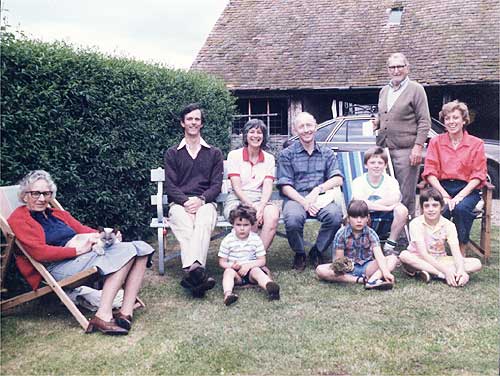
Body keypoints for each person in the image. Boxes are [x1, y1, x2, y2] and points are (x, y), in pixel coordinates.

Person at [8, 170, 154, 335]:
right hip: (56, 268)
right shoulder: (18, 219)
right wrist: (77, 250)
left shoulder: (57, 214)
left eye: (46, 193)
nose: (41, 198)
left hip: (81, 257)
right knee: (126, 251)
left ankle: (126, 313)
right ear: (25, 195)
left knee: (140, 248)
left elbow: (83, 229)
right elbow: (39, 253)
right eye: (35, 193)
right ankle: (103, 315)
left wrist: (107, 236)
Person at [164, 103, 223, 298]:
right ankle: (198, 273)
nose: (193, 122)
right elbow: (170, 186)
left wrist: (201, 199)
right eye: (189, 119)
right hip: (180, 204)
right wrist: (185, 202)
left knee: (203, 221)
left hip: (205, 203)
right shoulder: (173, 153)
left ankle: (191, 273)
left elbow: (216, 185)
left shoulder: (214, 153)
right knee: (185, 224)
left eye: (197, 119)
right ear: (182, 123)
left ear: (202, 123)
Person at [277, 112, 343, 271]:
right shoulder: (287, 154)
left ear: (315, 127)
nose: (306, 130)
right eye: (301, 126)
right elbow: (285, 186)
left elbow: (338, 179)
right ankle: (299, 253)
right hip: (295, 198)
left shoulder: (326, 153)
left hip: (321, 198)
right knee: (292, 219)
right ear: (295, 130)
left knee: (335, 216)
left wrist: (318, 190)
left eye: (309, 125)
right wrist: (304, 202)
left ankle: (317, 251)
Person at [421, 100, 487, 255]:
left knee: (461, 209)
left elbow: (479, 174)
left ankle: (461, 248)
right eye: (447, 118)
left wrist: (460, 196)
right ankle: (435, 248)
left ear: (464, 120)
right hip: (440, 187)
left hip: (467, 189)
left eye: (455, 118)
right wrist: (443, 194)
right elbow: (430, 171)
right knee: (439, 209)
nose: (451, 122)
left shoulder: (476, 143)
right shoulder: (436, 141)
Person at [373, 52, 431, 218]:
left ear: (407, 68)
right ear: (388, 70)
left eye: (400, 66)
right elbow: (386, 114)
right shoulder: (384, 91)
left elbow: (424, 121)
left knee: (405, 193)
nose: (396, 70)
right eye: (392, 67)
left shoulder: (416, 90)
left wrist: (418, 148)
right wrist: (377, 122)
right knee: (387, 191)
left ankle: (407, 231)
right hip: (384, 149)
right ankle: (389, 228)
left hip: (406, 150)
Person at [399, 188, 481, 286]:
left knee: (476, 263)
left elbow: (456, 252)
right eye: (426, 206)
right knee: (404, 255)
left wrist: (461, 270)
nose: (431, 209)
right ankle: (440, 275)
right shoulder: (416, 223)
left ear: (441, 207)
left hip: (440, 259)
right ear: (422, 208)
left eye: (435, 205)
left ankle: (427, 271)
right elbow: (423, 254)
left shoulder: (449, 225)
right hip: (419, 257)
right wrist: (446, 272)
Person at [224, 119, 280, 251]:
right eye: (252, 132)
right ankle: (246, 257)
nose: (256, 135)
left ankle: (258, 257)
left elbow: (267, 187)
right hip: (238, 198)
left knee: (272, 215)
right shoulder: (234, 155)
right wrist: (254, 207)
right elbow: (236, 188)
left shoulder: (269, 158)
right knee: (250, 215)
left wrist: (260, 206)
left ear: (264, 136)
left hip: (261, 199)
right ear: (245, 135)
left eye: (259, 132)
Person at [316, 200, 398, 290]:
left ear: (367, 218)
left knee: (392, 259)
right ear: (348, 218)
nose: (359, 221)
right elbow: (339, 259)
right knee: (320, 270)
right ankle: (359, 280)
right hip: (347, 269)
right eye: (355, 217)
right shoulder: (341, 234)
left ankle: (372, 280)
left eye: (362, 217)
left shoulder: (371, 233)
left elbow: (379, 255)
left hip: (367, 266)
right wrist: (341, 268)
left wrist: (386, 272)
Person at [218, 204, 280, 306]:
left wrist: (248, 266)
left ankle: (270, 287)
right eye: (238, 225)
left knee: (257, 271)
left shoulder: (255, 239)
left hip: (251, 272)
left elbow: (262, 260)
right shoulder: (228, 240)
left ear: (251, 225)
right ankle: (228, 294)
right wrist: (232, 266)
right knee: (228, 272)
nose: (242, 228)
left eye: (246, 225)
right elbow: (222, 262)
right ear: (233, 224)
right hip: (236, 274)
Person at [351, 146, 408, 255]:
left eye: (380, 163)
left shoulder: (391, 181)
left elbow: (395, 198)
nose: (376, 166)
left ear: (385, 165)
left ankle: (389, 246)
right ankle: (366, 244)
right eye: (372, 163)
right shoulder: (358, 181)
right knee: (360, 209)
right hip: (364, 217)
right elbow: (360, 203)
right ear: (365, 165)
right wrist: (385, 207)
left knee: (402, 210)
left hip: (387, 217)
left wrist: (371, 205)